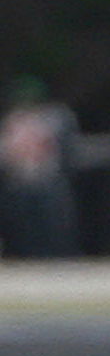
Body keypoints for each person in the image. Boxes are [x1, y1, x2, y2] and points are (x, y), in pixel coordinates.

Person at [0, 77, 79, 261]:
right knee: (23, 227)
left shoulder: (56, 118)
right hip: (20, 182)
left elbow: (62, 151)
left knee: (53, 225)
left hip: (47, 180)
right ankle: (23, 256)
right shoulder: (13, 122)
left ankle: (59, 258)